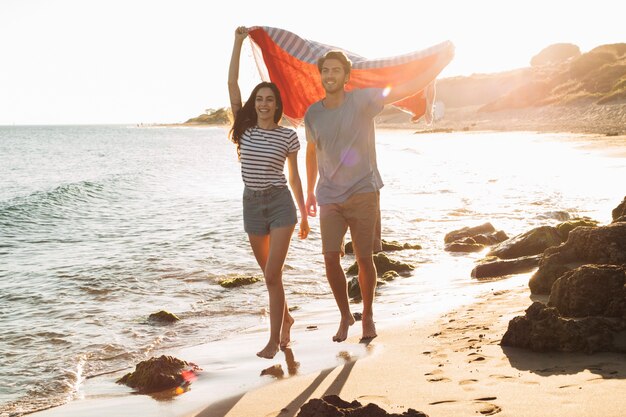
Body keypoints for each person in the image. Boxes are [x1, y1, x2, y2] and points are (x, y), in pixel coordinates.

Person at [305, 48, 454, 343]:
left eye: (336, 70)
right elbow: (312, 152)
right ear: (320, 76)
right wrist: (309, 191)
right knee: (330, 258)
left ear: (346, 76)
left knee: (363, 258)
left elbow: (402, 89)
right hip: (329, 197)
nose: (330, 75)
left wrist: (437, 66)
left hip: (363, 190)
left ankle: (369, 315)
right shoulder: (313, 113)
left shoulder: (362, 100)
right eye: (325, 71)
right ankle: (346, 315)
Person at [228, 26, 309, 359]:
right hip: (252, 205)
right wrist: (237, 43)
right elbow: (232, 84)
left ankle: (274, 340)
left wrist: (304, 213)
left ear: (277, 104)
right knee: (269, 276)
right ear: (254, 103)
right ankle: (287, 319)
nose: (263, 104)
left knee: (273, 274)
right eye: (259, 99)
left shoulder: (289, 136)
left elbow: (294, 177)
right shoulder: (244, 129)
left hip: (280, 205)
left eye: (269, 100)